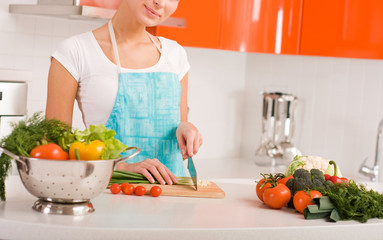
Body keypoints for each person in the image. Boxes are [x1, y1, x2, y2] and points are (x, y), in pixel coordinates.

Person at [45, 0, 203, 185]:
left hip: (171, 197)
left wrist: (185, 129)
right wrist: (120, 168)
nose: (160, 2)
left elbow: (179, 129)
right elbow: (54, 148)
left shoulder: (175, 54)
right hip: (107, 195)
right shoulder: (76, 51)